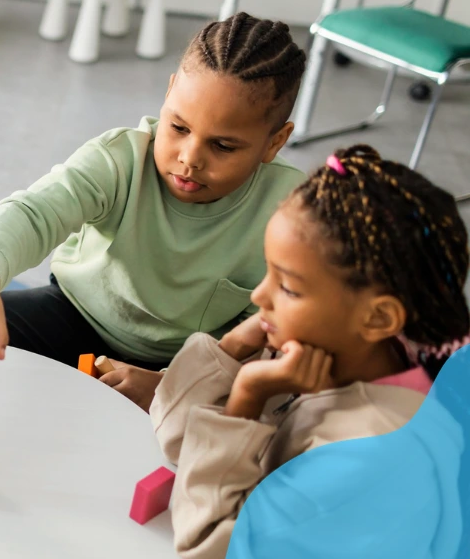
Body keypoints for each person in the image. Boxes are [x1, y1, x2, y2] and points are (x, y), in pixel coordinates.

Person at [0, 12, 308, 411]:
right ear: (169, 94)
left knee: (257, 407)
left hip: (182, 361)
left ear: (276, 142)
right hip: (73, 315)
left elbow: (267, 336)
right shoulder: (119, 158)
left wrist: (171, 386)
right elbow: (35, 212)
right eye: (178, 127)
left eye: (223, 146)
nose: (189, 159)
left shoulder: (290, 213)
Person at [150, 145, 470, 558]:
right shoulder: (331, 348)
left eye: (288, 286)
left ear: (377, 319)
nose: (257, 294)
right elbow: (178, 441)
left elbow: (206, 547)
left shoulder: (373, 456)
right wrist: (233, 349)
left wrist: (247, 397)